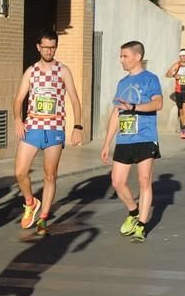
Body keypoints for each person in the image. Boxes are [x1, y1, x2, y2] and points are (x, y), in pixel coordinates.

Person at [13, 29, 83, 237]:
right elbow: (18, 100)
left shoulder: (63, 71)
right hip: (32, 126)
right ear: (38, 47)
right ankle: (30, 202)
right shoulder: (31, 71)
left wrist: (77, 127)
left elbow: (74, 100)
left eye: (52, 47)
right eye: (45, 47)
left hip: (54, 129)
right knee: (20, 172)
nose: (49, 51)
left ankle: (43, 218)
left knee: (49, 174)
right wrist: (18, 119)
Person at [100, 41, 163, 243]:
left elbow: (158, 103)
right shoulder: (122, 83)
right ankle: (133, 211)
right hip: (124, 139)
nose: (121, 60)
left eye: (124, 56)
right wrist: (107, 142)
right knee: (117, 181)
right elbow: (116, 113)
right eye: (121, 56)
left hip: (145, 137)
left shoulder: (150, 79)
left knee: (144, 181)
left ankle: (142, 226)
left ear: (137, 57)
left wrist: (135, 107)